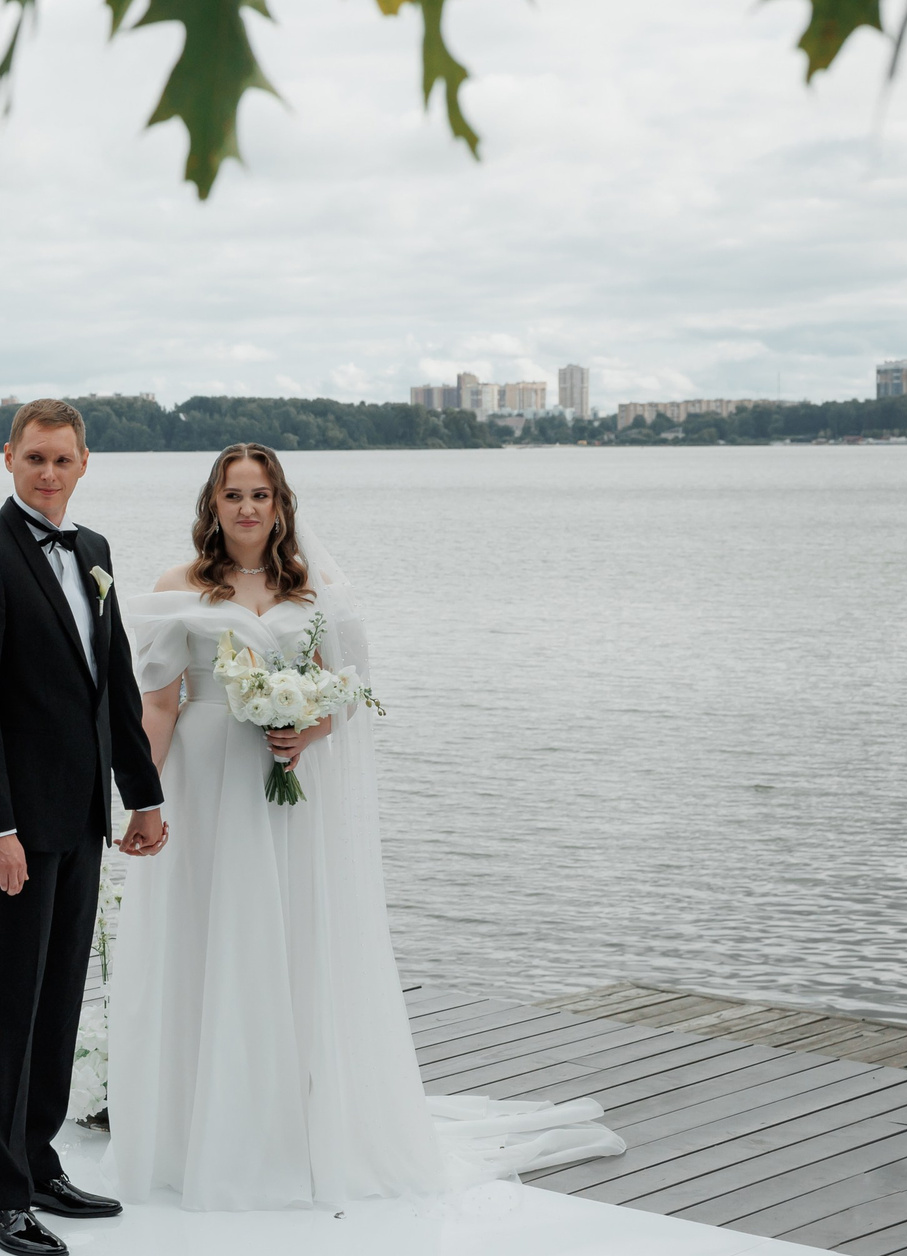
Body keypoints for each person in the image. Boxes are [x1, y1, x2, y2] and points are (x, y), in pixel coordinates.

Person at [108, 443, 622, 1209]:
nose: (247, 508)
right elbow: (158, 702)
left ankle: (293, 1129)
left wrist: (304, 733)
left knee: (288, 942)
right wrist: (142, 796)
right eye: (233, 495)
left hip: (283, 787)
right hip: (204, 779)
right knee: (208, 938)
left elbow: (349, 693)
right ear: (211, 506)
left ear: (280, 506)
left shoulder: (316, 590)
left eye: (260, 495)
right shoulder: (175, 586)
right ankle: (200, 1130)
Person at [0, 398, 169, 1256]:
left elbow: (112, 686)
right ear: (7, 459)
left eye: (62, 460)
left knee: (61, 995)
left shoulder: (95, 555)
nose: (47, 473)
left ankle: (36, 1162)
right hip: (17, 828)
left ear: (82, 464)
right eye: (33, 458)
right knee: (5, 1007)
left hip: (83, 819)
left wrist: (141, 798)